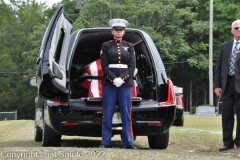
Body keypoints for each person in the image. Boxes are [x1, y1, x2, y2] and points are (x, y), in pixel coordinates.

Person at [99, 18, 137, 149]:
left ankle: (128, 142)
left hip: (125, 84)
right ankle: (105, 141)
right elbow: (104, 65)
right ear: (112, 31)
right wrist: (113, 79)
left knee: (126, 113)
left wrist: (122, 79)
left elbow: (132, 66)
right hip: (109, 84)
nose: (118, 32)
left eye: (121, 30)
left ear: (124, 31)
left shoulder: (130, 46)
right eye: (116, 30)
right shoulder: (106, 45)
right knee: (107, 112)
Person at [214, 19, 240, 151]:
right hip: (227, 84)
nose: (239, 30)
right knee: (227, 114)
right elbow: (219, 68)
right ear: (232, 31)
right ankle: (227, 142)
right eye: (236, 28)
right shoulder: (224, 46)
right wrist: (216, 85)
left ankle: (239, 141)